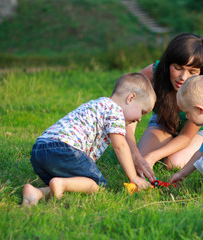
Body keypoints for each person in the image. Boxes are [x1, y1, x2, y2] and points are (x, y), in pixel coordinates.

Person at [22, 73, 156, 206]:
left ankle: (36, 193)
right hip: (65, 148)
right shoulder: (116, 111)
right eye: (142, 112)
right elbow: (120, 145)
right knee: (97, 184)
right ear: (131, 98)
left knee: (78, 184)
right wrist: (133, 177)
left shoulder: (97, 103)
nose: (139, 119)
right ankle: (61, 183)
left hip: (39, 151)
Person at [126, 33, 203, 182]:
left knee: (173, 163)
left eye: (192, 72)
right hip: (163, 123)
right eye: (177, 68)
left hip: (196, 134)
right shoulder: (153, 73)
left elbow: (186, 136)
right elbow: (128, 111)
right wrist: (132, 152)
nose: (183, 77)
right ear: (168, 64)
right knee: (139, 158)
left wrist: (154, 155)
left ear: (201, 72)